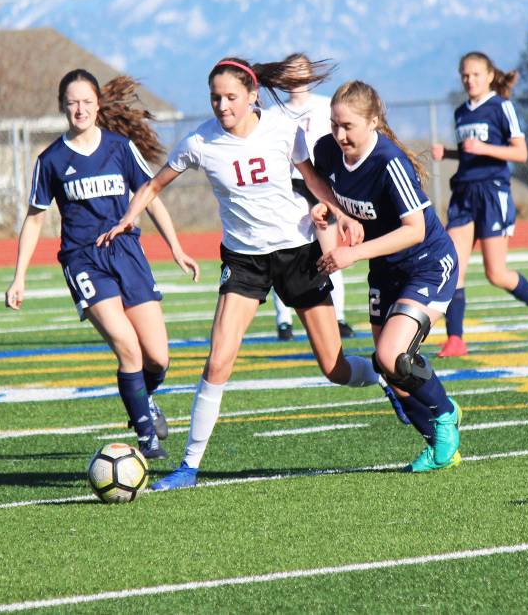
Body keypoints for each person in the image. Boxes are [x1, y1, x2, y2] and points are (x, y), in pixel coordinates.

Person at [97, 56, 380, 491]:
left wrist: (340, 214)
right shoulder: (199, 142)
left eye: (231, 97)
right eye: (215, 97)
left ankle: (384, 375)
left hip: (297, 252)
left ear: (252, 96)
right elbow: (153, 185)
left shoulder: (284, 129)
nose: (222, 105)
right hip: (244, 262)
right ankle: (189, 467)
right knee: (217, 360)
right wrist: (127, 219)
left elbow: (313, 181)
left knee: (334, 367)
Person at [5, 69, 199, 460]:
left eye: (87, 101)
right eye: (72, 102)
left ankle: (145, 401)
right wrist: (19, 276)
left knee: (158, 357)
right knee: (127, 347)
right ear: (63, 106)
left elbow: (151, 197)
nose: (80, 109)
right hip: (83, 260)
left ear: (98, 105)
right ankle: (147, 438)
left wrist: (176, 248)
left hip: (127, 253)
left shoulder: (120, 148)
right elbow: (35, 217)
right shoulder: (51, 160)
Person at [314, 80, 462, 473]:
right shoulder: (328, 151)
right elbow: (317, 185)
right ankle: (437, 443)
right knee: (389, 369)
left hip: (428, 262)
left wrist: (352, 253)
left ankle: (446, 416)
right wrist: (324, 210)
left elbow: (414, 229)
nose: (340, 135)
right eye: (334, 125)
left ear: (373, 121)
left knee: (391, 355)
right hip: (386, 268)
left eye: (348, 126)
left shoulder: (388, 161)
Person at [430, 51, 528, 358]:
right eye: (464, 75)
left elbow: (520, 153)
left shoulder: (502, 107)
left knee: (495, 273)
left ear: (488, 76)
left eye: (475, 74)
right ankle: (456, 339)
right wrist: (448, 154)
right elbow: (470, 153)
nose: (469, 80)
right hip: (463, 193)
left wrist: (483, 147)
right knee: (453, 268)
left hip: (492, 192)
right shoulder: (461, 112)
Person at [271, 53, 354, 341]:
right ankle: (284, 321)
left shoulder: (324, 106)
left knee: (330, 252)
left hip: (319, 186)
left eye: (301, 72)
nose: (295, 79)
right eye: (290, 73)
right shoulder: (274, 113)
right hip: (288, 188)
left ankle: (339, 316)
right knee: (285, 253)